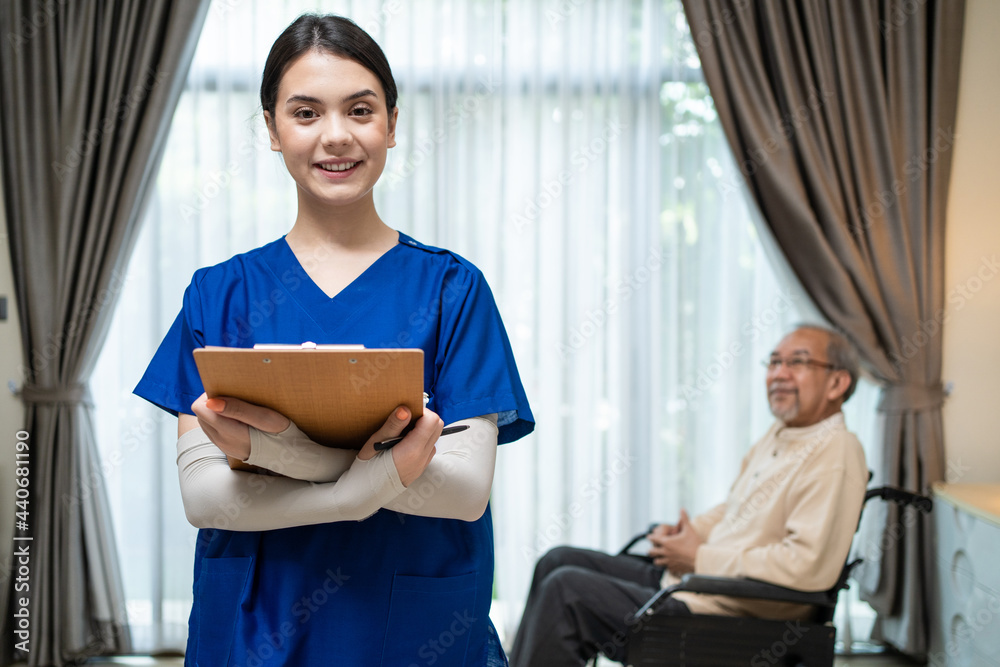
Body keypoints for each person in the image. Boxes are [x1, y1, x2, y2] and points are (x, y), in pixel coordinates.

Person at [134, 13, 533, 667]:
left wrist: (282, 451)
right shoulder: (220, 294)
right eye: (306, 112)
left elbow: (464, 490)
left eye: (360, 109)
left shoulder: (453, 290)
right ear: (271, 129)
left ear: (393, 124)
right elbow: (205, 498)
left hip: (408, 629)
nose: (337, 136)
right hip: (253, 625)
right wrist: (368, 480)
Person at [508, 325, 867, 667]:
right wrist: (684, 537)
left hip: (734, 615)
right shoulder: (782, 434)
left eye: (797, 362)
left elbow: (806, 566)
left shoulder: (836, 452)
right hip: (701, 585)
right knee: (556, 560)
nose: (778, 374)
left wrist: (700, 558)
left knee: (567, 592)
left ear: (837, 382)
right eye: (774, 362)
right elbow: (735, 507)